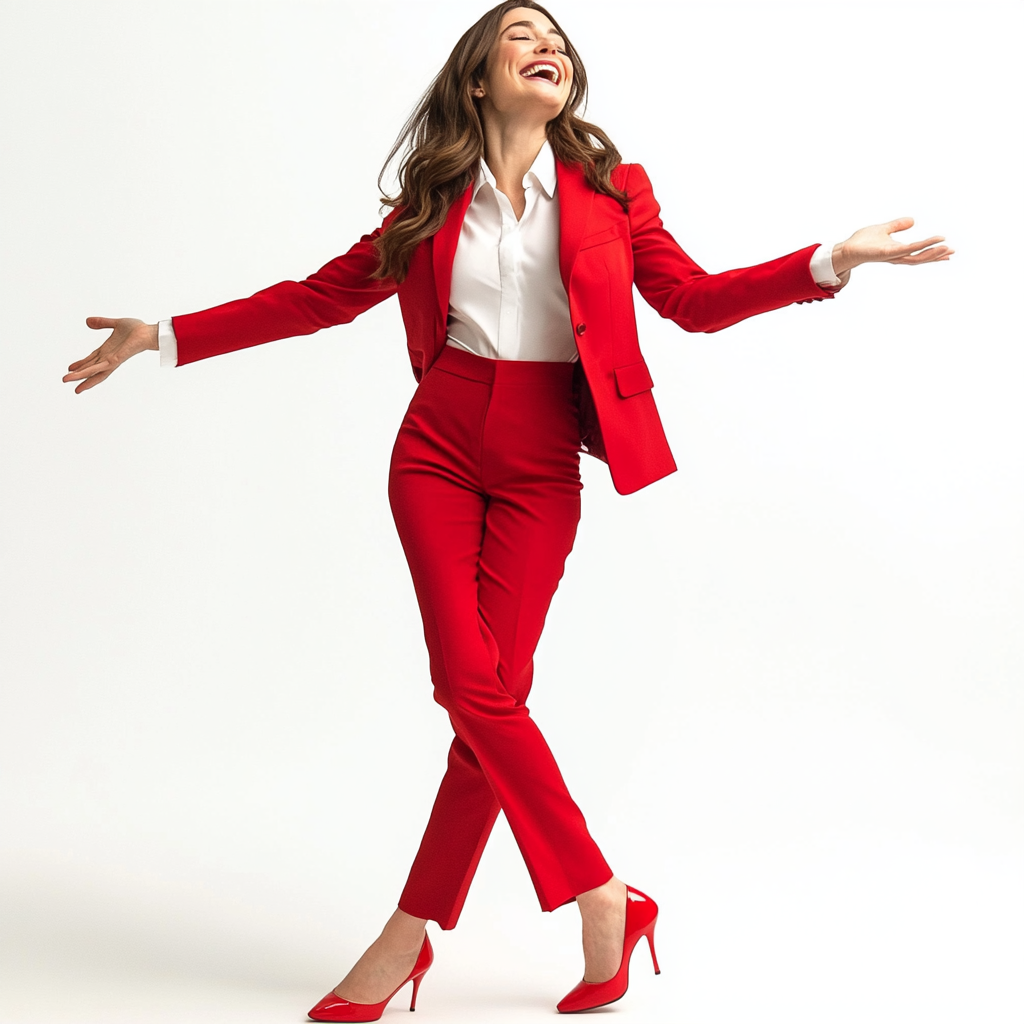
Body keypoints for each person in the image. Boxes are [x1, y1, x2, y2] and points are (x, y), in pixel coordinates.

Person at [62, 2, 952, 1018]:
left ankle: (407, 938)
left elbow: (694, 301)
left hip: (539, 460)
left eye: (560, 41)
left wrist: (829, 260)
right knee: (468, 683)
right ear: (477, 77)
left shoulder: (616, 190)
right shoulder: (429, 204)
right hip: (437, 447)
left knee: (489, 703)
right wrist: (163, 335)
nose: (550, 47)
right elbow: (316, 298)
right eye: (523, 33)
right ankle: (600, 893)